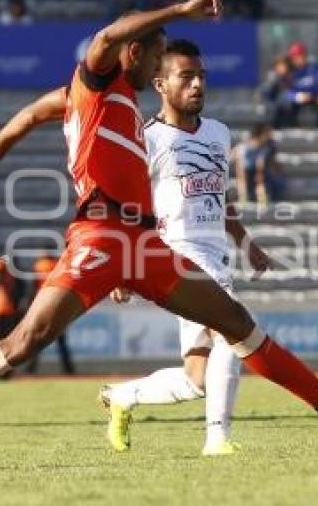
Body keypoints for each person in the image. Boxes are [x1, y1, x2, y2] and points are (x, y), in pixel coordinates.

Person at [0, 0, 318, 467]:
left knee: (235, 322)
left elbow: (32, 112)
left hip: (144, 245)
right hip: (101, 234)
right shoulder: (95, 80)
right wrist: (180, 9)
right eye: (154, 58)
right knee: (24, 341)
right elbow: (108, 34)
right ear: (132, 52)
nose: (157, 70)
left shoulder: (112, 101)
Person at [99, 39, 260, 455]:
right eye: (186, 77)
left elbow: (221, 196)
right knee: (233, 331)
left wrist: (246, 242)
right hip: (176, 255)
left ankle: (123, 397)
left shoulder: (219, 134)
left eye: (201, 76)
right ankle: (218, 440)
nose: (197, 84)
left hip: (216, 254)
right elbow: (126, 204)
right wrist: (122, 266)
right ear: (160, 84)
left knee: (196, 379)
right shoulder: (147, 139)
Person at [25, 252, 76, 375]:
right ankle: (68, 369)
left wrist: (30, 305)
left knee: (37, 338)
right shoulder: (58, 264)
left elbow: (33, 286)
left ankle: (31, 368)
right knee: (61, 340)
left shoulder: (39, 265)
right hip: (58, 304)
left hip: (43, 303)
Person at [274, 42, 318, 128]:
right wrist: (297, 96)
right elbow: (285, 91)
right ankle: (290, 127)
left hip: (315, 96)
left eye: (298, 56)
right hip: (299, 97)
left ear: (304, 56)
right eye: (293, 57)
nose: (296, 60)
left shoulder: (314, 67)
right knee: (285, 104)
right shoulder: (289, 71)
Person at [233, 123, 284, 207]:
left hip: (256, 168)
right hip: (245, 167)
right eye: (267, 132)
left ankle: (262, 200)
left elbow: (261, 161)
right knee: (242, 176)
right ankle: (243, 198)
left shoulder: (267, 146)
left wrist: (259, 172)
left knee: (260, 181)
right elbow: (237, 154)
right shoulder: (246, 145)